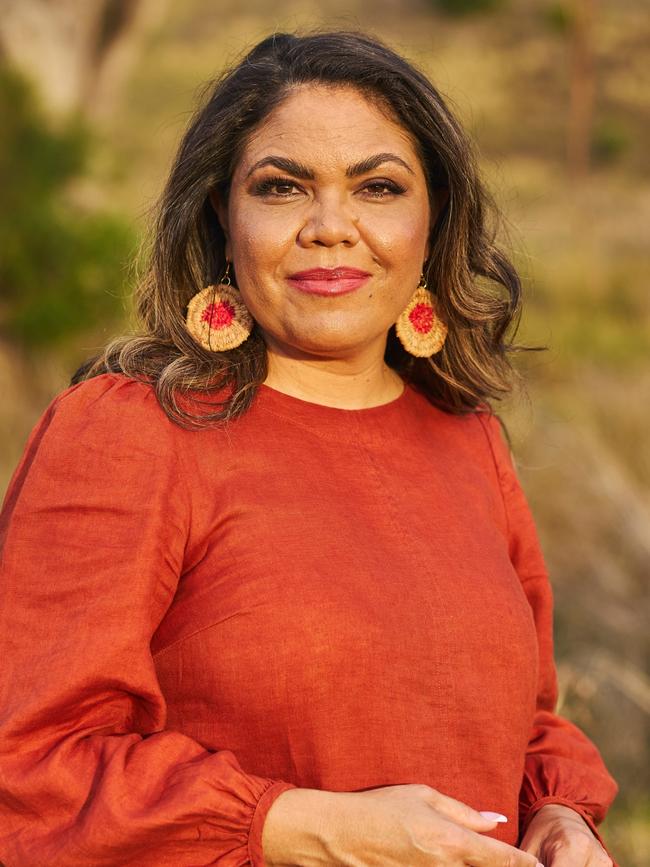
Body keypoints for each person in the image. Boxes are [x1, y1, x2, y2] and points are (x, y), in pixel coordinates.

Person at [0, 29, 618, 867]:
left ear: (432, 220)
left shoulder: (466, 438)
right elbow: (27, 766)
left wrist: (559, 816)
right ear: (224, 215)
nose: (332, 227)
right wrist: (301, 827)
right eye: (284, 187)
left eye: (379, 186)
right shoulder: (133, 432)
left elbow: (529, 719)